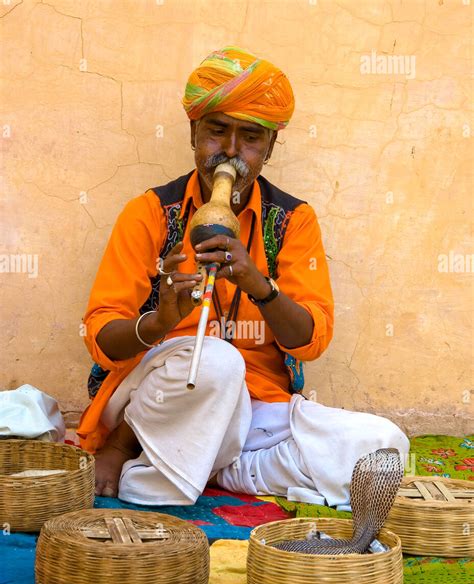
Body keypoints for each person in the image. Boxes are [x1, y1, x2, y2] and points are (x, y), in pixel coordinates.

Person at [77, 46, 409, 505]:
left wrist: (260, 285)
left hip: (257, 410)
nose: (231, 151)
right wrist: (157, 323)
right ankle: (137, 450)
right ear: (194, 132)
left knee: (382, 445)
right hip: (158, 402)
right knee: (217, 361)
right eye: (217, 132)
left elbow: (311, 339)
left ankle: (212, 467)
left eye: (250, 138)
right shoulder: (151, 213)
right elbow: (100, 336)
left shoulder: (294, 220)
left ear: (269, 147)